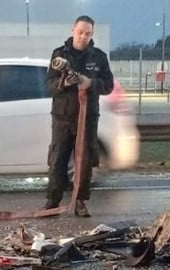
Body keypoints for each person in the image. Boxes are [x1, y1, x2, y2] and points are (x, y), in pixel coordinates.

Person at [43, 16, 114, 217]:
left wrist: (89, 83)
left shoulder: (98, 57)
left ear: (92, 34)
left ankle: (81, 201)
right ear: (73, 30)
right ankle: (53, 201)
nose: (83, 36)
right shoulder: (59, 54)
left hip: (88, 118)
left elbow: (108, 85)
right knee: (58, 159)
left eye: (88, 33)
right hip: (62, 117)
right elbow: (49, 84)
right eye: (80, 32)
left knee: (84, 160)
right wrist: (64, 83)